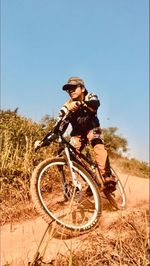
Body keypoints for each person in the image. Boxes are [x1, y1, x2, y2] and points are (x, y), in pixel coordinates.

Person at [35, 77, 116, 190]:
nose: (71, 91)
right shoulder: (66, 106)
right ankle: (89, 180)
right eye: (68, 89)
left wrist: (81, 103)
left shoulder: (90, 96)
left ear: (82, 88)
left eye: (73, 88)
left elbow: (95, 104)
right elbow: (57, 127)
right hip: (77, 134)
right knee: (68, 153)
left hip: (92, 128)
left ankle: (107, 176)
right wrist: (43, 142)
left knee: (98, 146)